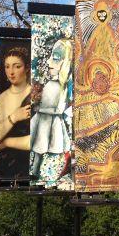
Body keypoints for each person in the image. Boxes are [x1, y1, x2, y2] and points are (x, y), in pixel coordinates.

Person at [30, 37, 73, 188]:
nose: (49, 62)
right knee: (37, 147)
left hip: (51, 123)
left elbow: (60, 109)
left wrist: (41, 109)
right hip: (41, 121)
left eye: (55, 58)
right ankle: (36, 171)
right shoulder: (49, 83)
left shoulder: (64, 87)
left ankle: (55, 175)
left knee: (49, 147)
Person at [0, 46, 32, 185]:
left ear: (27, 68)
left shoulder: (35, 94)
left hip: (27, 162)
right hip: (7, 164)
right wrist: (14, 117)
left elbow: (37, 140)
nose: (11, 72)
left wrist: (6, 142)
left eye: (17, 66)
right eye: (7, 67)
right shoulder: (3, 97)